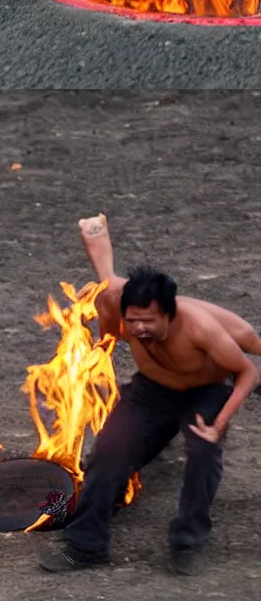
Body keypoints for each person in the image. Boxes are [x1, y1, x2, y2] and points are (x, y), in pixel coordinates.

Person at [40, 214, 261, 576]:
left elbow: (248, 370)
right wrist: (93, 228)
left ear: (170, 316)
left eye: (149, 322)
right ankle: (86, 546)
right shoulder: (116, 305)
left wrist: (219, 423)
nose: (139, 329)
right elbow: (106, 291)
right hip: (152, 390)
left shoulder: (202, 328)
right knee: (107, 452)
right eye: (134, 321)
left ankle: (187, 541)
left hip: (203, 392)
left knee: (203, 452)